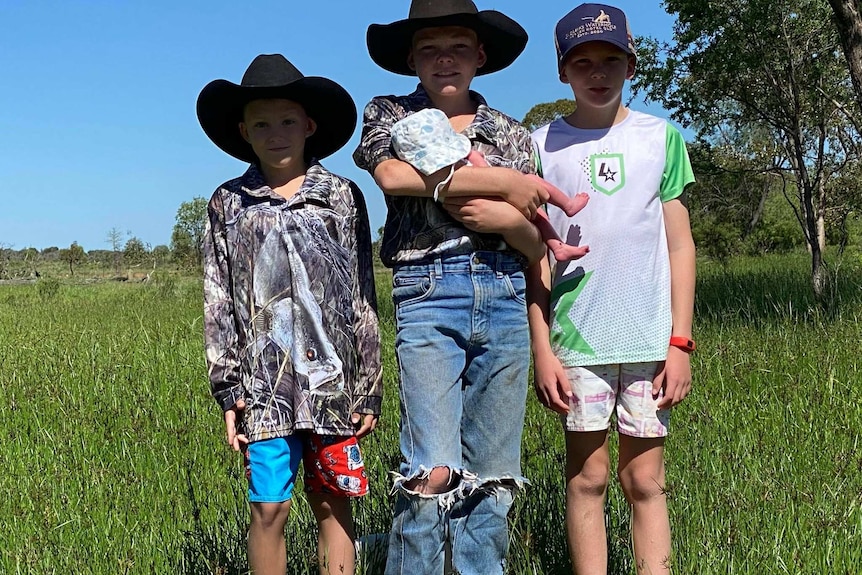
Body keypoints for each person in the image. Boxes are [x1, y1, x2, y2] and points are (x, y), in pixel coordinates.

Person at [352, 1, 549, 573]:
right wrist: (508, 182)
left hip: (507, 292)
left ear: (481, 57)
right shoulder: (390, 114)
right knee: (430, 469)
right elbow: (390, 174)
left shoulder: (509, 132)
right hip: (427, 287)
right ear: (411, 58)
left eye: (459, 47)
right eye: (430, 49)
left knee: (491, 473)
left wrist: (514, 215)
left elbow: (532, 231)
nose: (445, 60)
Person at [528, 4, 696, 574]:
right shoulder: (539, 145)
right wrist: (542, 348)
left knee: (644, 479)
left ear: (630, 65)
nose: (597, 72)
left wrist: (680, 342)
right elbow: (536, 255)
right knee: (589, 476)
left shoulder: (661, 138)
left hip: (649, 344)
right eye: (582, 62)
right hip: (576, 343)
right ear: (562, 71)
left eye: (610, 59)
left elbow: (679, 246)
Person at [198, 53, 382, 575]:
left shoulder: (341, 198)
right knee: (269, 506)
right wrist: (229, 388)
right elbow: (218, 300)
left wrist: (368, 385)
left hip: (333, 385)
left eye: (286, 120)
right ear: (243, 132)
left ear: (309, 125)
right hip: (263, 388)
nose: (275, 133)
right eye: (261, 123)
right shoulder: (228, 204)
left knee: (333, 499)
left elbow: (363, 299)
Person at [389, 107, 591, 261]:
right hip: (491, 209)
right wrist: (477, 160)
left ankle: (557, 246)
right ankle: (566, 205)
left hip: (488, 219)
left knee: (537, 212)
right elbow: (486, 175)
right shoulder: (458, 168)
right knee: (530, 183)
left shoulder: (432, 180)